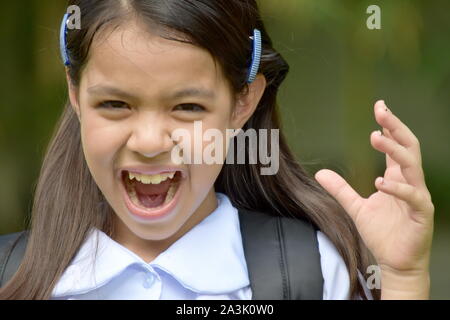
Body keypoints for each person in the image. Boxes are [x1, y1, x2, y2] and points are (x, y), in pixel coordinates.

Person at [0, 0, 434, 300]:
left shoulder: (312, 271)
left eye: (187, 107)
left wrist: (402, 277)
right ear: (75, 94)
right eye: (115, 104)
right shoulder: (11, 278)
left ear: (242, 102)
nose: (150, 142)